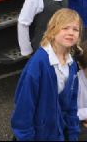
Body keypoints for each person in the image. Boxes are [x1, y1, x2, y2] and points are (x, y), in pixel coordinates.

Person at [11, 9, 82, 141]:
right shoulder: (38, 64)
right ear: (53, 30)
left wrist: (73, 134)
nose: (71, 33)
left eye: (75, 29)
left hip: (58, 132)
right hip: (39, 135)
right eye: (65, 28)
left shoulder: (71, 64)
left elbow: (71, 105)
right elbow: (24, 109)